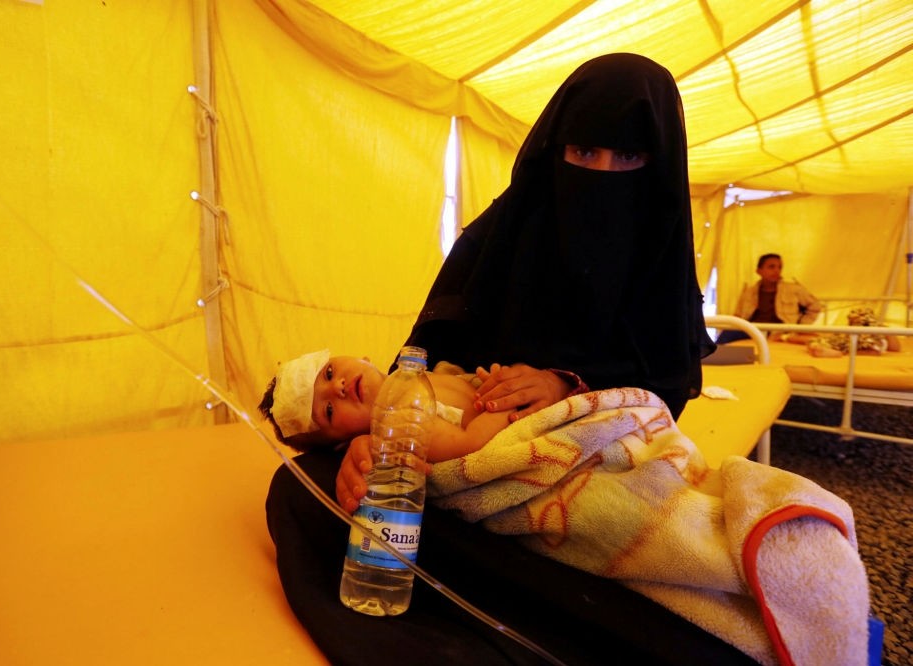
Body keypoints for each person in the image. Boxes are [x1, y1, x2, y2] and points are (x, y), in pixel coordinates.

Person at [265, 54, 751, 666]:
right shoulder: (499, 234)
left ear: (658, 166)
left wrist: (565, 386)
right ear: (555, 148)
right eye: (584, 153)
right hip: (460, 457)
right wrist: (373, 445)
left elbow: (664, 392)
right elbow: (417, 364)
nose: (603, 174)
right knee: (300, 486)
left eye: (629, 158)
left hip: (585, 466)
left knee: (636, 546)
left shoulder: (659, 257)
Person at [258, 349, 517, 462]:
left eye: (328, 373)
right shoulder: (403, 422)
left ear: (362, 358)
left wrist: (497, 380)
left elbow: (468, 389)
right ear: (343, 444)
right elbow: (470, 444)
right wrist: (510, 399)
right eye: (329, 411)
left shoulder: (421, 372)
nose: (339, 387)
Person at [716, 253, 822, 344]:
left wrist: (800, 328)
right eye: (771, 267)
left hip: (781, 332)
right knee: (727, 334)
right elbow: (738, 316)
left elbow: (815, 306)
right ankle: (708, 360)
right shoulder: (749, 292)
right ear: (759, 271)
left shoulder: (794, 290)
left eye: (779, 267)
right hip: (753, 330)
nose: (777, 270)